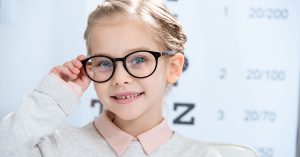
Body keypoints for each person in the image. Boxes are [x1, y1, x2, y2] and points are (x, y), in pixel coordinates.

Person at [0, 0, 222, 156]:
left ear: (173, 68)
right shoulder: (54, 148)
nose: (120, 78)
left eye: (138, 59)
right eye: (105, 63)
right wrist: (54, 97)